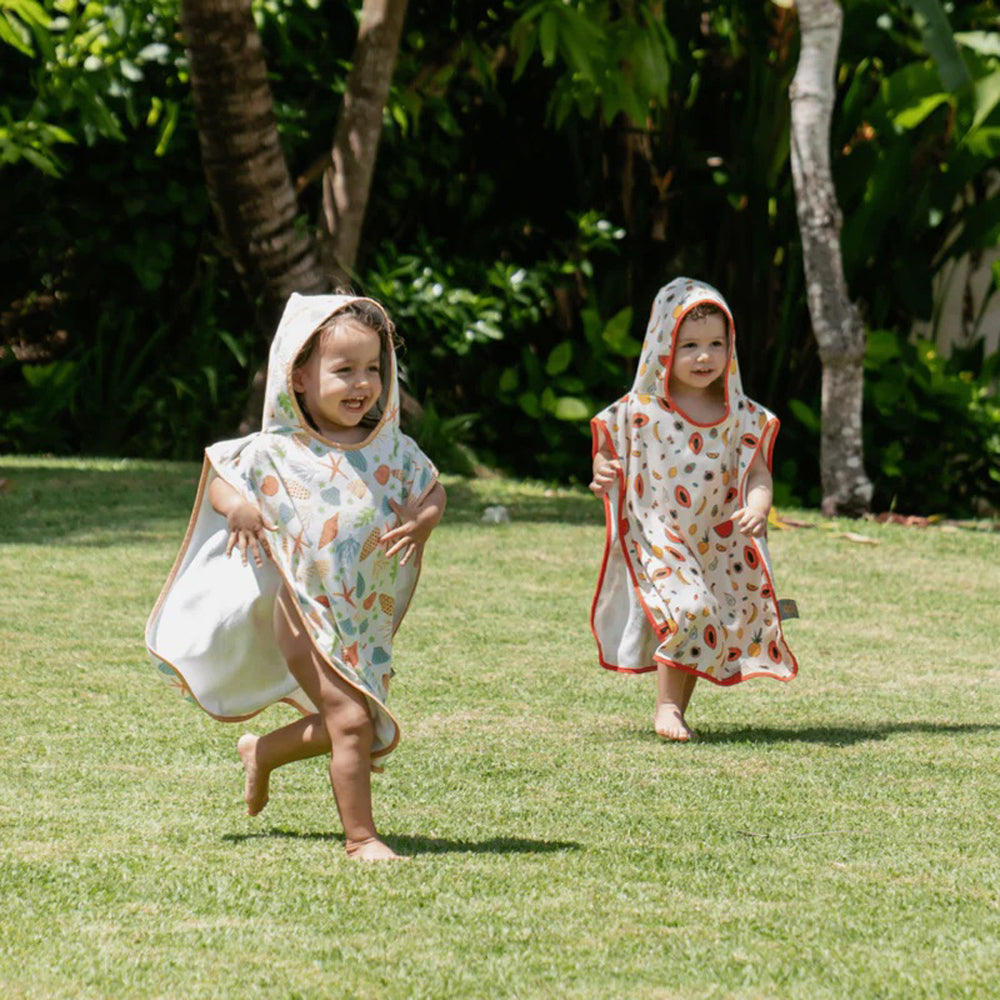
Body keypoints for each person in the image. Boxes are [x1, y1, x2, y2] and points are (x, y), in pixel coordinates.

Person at [146, 293, 446, 861]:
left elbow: (433, 489)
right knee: (351, 722)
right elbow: (224, 481)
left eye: (373, 368)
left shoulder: (392, 449)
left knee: (350, 723)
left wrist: (424, 519)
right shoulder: (279, 450)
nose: (362, 383)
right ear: (299, 378)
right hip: (305, 608)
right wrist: (238, 508)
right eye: (344, 370)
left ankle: (261, 753)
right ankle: (361, 839)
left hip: (361, 614)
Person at [589, 277, 797, 742]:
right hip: (658, 530)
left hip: (718, 539)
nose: (705, 356)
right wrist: (603, 470)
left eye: (716, 344)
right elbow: (609, 446)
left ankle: (677, 711)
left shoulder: (741, 415)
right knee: (691, 608)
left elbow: (758, 472)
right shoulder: (642, 409)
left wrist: (758, 506)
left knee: (708, 619)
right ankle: (666, 706)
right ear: (663, 345)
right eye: (689, 346)